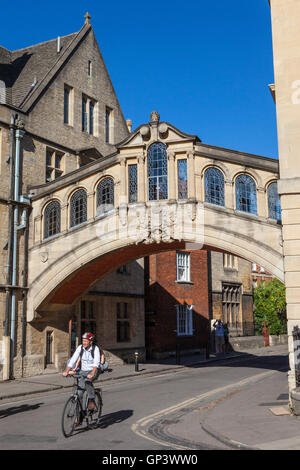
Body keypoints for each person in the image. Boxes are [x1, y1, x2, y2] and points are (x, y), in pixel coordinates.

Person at [62, 332, 108, 412]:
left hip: (94, 370)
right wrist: (67, 371)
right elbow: (73, 359)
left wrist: (92, 373)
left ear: (90, 342)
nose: (84, 343)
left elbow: (96, 363)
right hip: (83, 371)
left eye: (86, 341)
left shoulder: (95, 349)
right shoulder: (80, 348)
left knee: (87, 381)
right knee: (79, 393)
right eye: (83, 341)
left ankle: (91, 400)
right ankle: (79, 415)